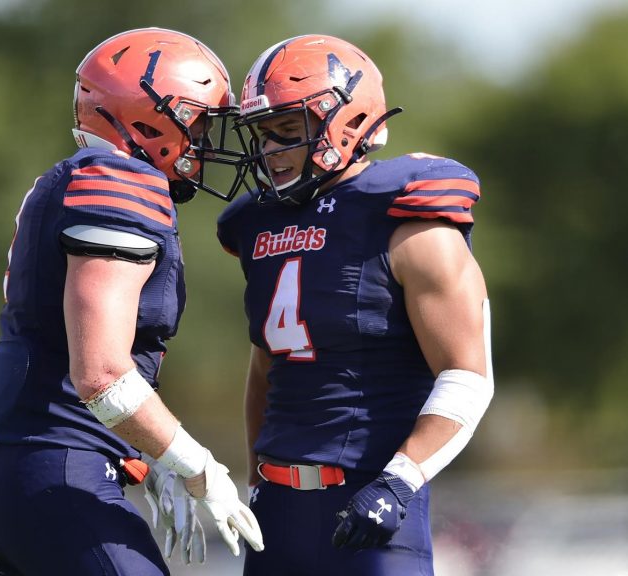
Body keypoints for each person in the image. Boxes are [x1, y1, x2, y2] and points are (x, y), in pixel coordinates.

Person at [0, 28, 263, 576]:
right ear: (147, 118)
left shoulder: (73, 178)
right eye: (199, 123)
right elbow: (101, 374)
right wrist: (194, 464)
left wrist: (151, 456)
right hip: (60, 473)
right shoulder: (121, 181)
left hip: (35, 471)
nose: (206, 143)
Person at [216, 34, 494, 575]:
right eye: (262, 134)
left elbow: (468, 375)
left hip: (371, 506)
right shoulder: (259, 224)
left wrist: (401, 480)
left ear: (345, 123)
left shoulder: (411, 219)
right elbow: (268, 367)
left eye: (287, 132)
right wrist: (253, 479)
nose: (269, 151)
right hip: (277, 512)